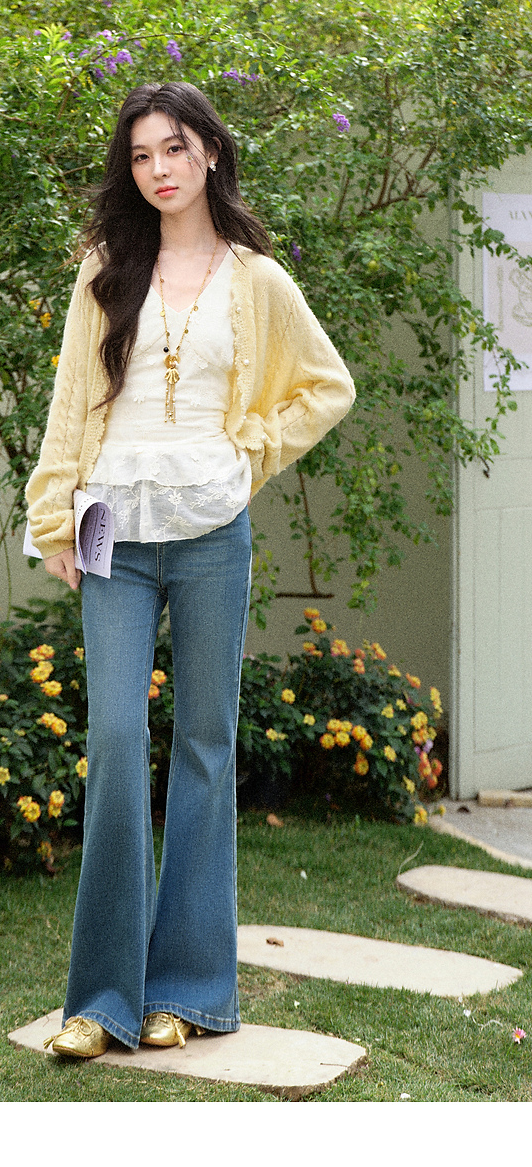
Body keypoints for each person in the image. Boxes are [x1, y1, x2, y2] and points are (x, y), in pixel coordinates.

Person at [25, 81, 355, 1059]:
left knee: (207, 746)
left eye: (174, 148)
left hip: (213, 530)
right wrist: (54, 519)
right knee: (117, 739)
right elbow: (70, 406)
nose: (158, 169)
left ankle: (191, 993)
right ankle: (102, 1002)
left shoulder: (257, 279)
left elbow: (325, 386)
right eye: (140, 155)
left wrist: (248, 451)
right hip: (110, 530)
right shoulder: (105, 271)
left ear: (209, 150)